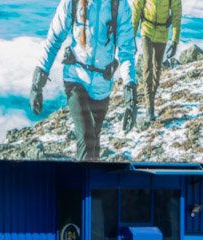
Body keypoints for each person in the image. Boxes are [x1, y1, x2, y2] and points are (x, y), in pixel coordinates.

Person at [30, 0, 138, 160]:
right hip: (75, 78)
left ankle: (89, 182)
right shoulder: (72, 2)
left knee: (94, 141)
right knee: (87, 138)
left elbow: (126, 51)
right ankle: (82, 182)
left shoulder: (119, 4)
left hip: (102, 85)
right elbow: (54, 39)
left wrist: (131, 96)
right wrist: (37, 83)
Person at [132, 0, 182, 122]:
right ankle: (150, 106)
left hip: (162, 33)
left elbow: (176, 15)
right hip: (146, 30)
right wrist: (131, 37)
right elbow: (136, 10)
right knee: (147, 64)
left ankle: (151, 100)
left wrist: (175, 42)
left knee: (157, 68)